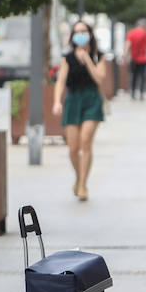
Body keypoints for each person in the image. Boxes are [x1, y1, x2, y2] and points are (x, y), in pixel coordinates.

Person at [52, 21, 108, 201]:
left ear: (90, 34)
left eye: (83, 31)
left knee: (86, 142)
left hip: (92, 100)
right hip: (73, 100)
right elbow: (60, 81)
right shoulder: (67, 57)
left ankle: (83, 184)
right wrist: (56, 101)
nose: (80, 34)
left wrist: (88, 61)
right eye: (77, 32)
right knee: (73, 148)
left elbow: (100, 79)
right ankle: (78, 177)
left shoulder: (99, 56)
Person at [124, 18, 146, 100]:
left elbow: (127, 45)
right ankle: (141, 93)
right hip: (143, 59)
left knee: (134, 76)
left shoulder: (131, 33)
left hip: (134, 58)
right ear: (144, 25)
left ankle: (133, 93)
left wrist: (125, 55)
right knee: (142, 76)